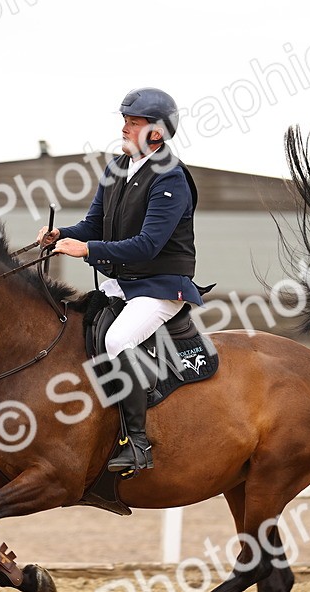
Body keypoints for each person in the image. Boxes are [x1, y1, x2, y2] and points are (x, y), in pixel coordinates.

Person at [39, 87, 203, 476]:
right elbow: (92, 224)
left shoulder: (171, 178)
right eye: (125, 121)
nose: (125, 128)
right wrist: (62, 234)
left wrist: (88, 251)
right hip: (122, 285)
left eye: (134, 123)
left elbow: (147, 245)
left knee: (116, 340)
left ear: (157, 134)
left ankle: (138, 446)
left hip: (160, 287)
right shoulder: (116, 168)